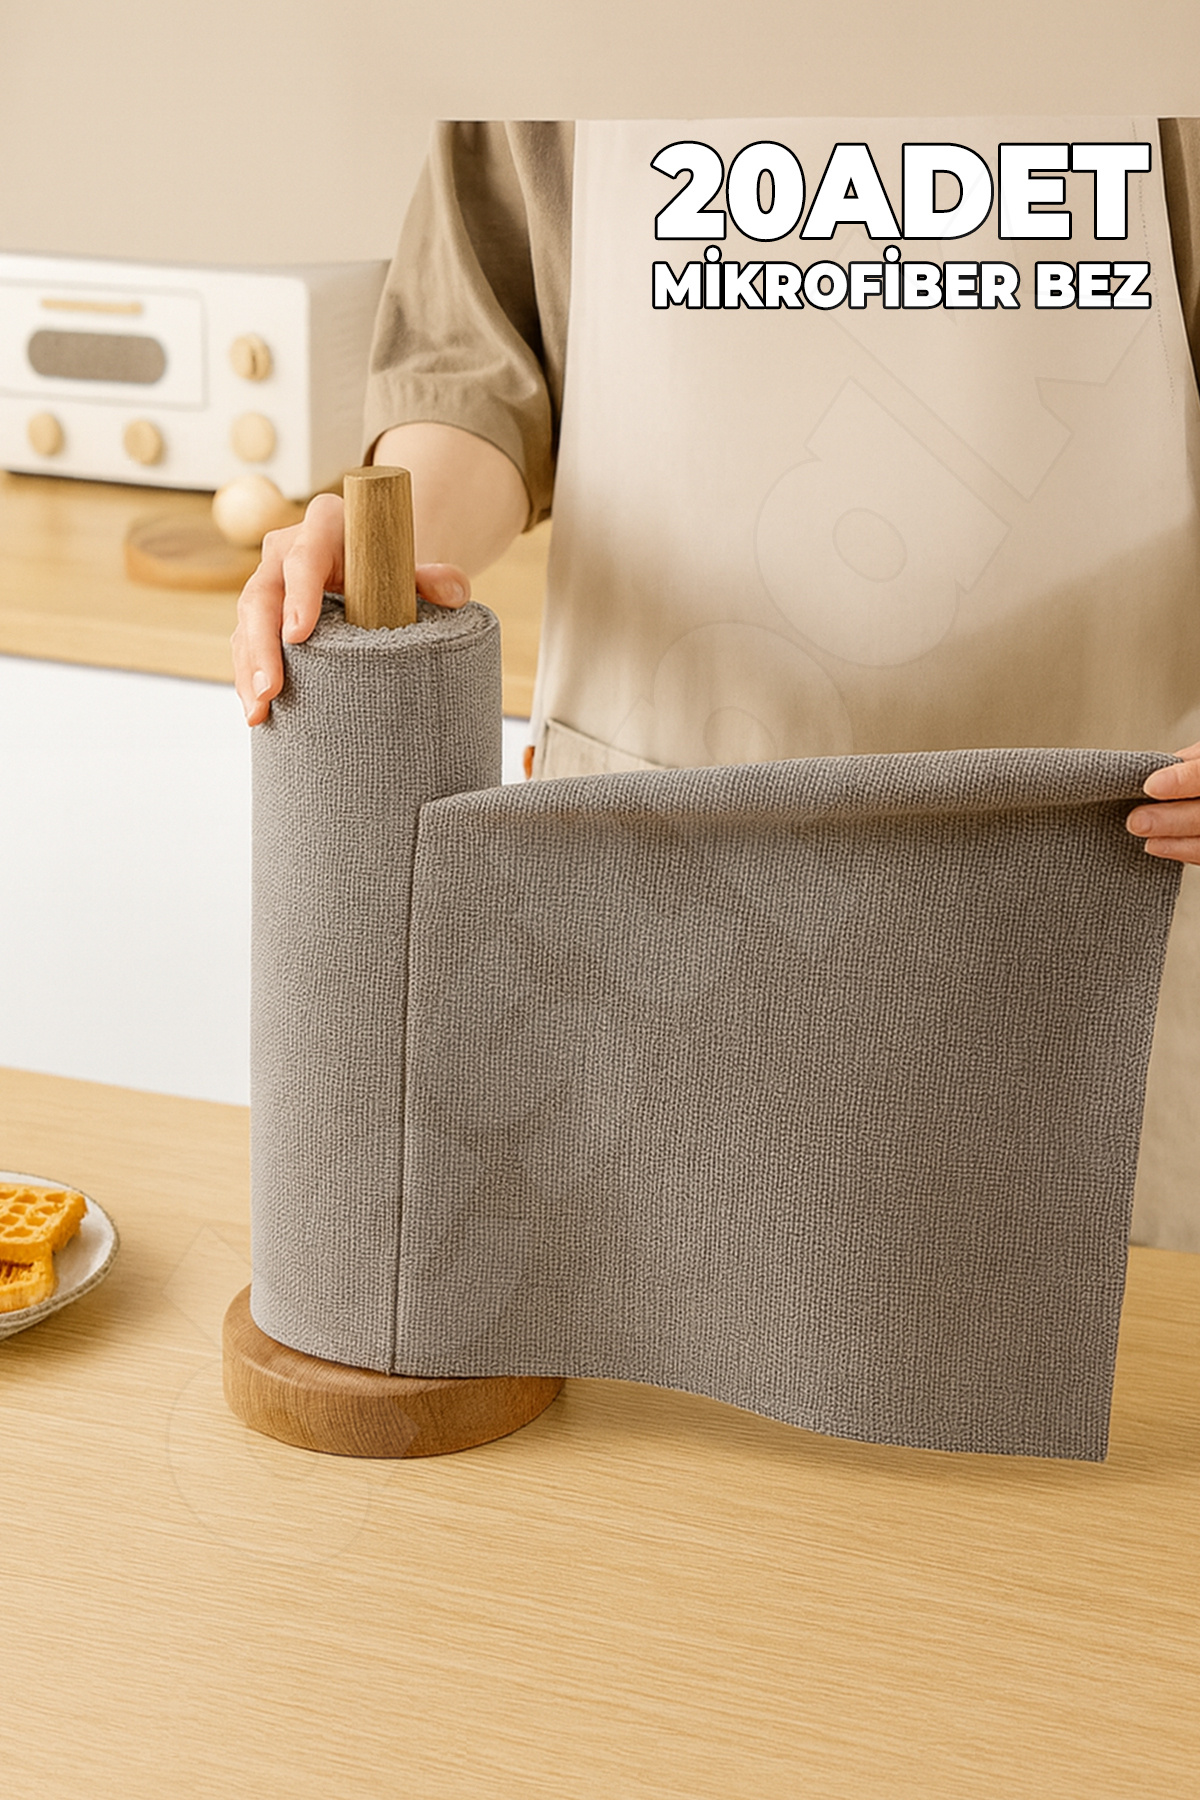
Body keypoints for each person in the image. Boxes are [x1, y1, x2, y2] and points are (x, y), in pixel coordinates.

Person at [232, 118, 1200, 1246]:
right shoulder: (535, 46)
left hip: (1100, 861)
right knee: (636, 1303)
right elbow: (479, 368)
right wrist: (384, 546)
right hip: (662, 854)